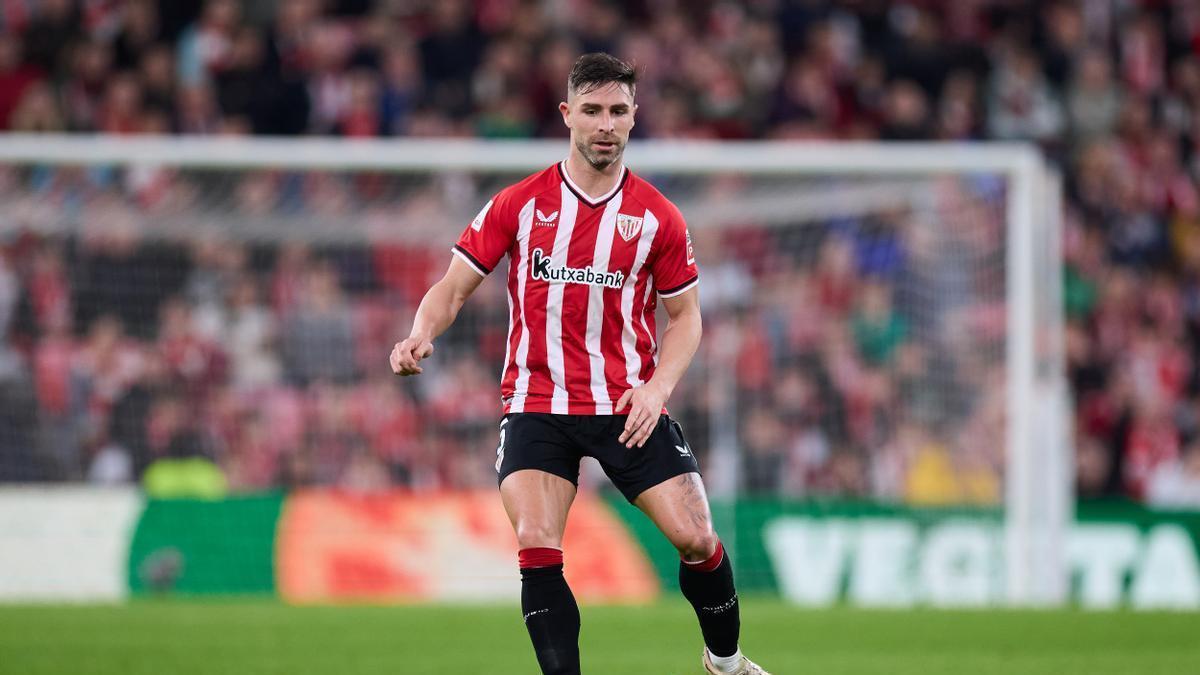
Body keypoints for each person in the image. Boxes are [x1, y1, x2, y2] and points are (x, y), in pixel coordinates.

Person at [390, 53, 769, 675]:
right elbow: (452, 287)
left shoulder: (657, 218)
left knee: (698, 539)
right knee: (537, 541)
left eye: (618, 111)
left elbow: (687, 318)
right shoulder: (520, 204)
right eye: (591, 110)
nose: (605, 124)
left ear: (633, 118)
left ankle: (725, 663)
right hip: (538, 404)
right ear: (567, 115)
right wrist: (419, 334)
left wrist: (657, 387)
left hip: (626, 406)